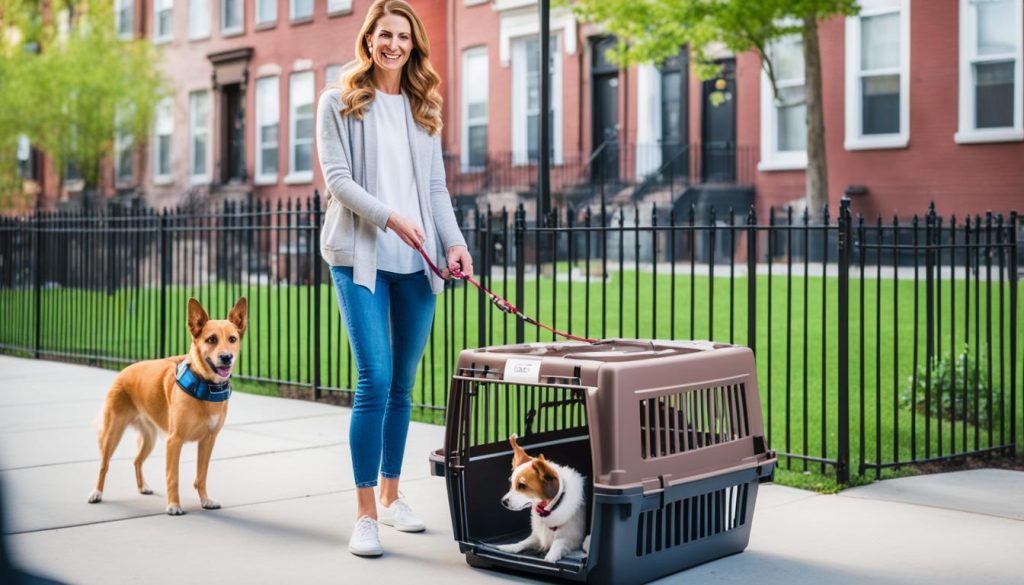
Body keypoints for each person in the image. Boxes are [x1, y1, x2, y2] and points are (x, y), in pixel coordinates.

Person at [315, 0, 473, 558]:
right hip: (360, 258)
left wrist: (454, 242)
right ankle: (364, 515)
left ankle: (391, 493)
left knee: (403, 384)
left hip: (417, 264)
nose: (394, 44)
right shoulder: (337, 102)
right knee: (374, 380)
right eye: (385, 34)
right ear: (369, 39)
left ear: (414, 45)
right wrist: (390, 218)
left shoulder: (423, 106)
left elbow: (436, 190)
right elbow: (337, 181)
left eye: (403, 36)